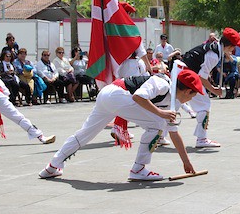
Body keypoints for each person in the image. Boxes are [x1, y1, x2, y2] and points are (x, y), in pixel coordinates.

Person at [38, 69, 203, 181]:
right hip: (117, 95)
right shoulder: (163, 84)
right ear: (188, 91)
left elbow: (174, 133)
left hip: (109, 96)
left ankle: (52, 166)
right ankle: (138, 169)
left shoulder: (175, 102)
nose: (192, 99)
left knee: (85, 134)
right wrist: (160, 113)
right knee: (157, 124)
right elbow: (138, 97)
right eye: (193, 95)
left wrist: (186, 162)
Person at [182, 27, 240, 146]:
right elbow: (201, 77)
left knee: (172, 105)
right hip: (188, 76)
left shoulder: (215, 47)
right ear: (229, 47)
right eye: (233, 47)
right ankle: (201, 139)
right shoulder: (213, 56)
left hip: (183, 72)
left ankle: (160, 134)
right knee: (204, 106)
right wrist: (213, 90)